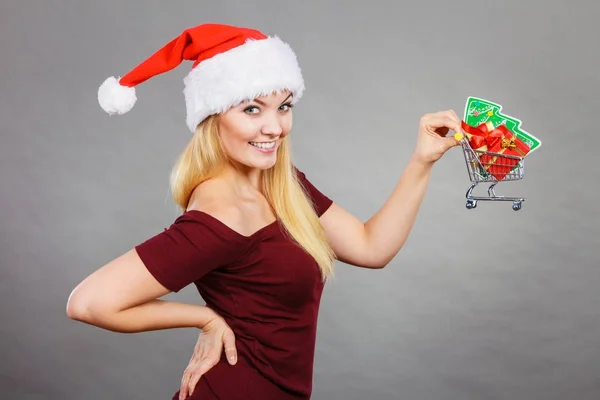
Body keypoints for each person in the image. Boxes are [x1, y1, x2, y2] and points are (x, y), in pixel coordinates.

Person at [66, 23, 462, 400]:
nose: (274, 127)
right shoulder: (222, 213)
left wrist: (422, 161)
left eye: (284, 107)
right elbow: (88, 303)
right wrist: (204, 318)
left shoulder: (282, 184)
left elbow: (371, 247)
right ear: (212, 117)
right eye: (252, 109)